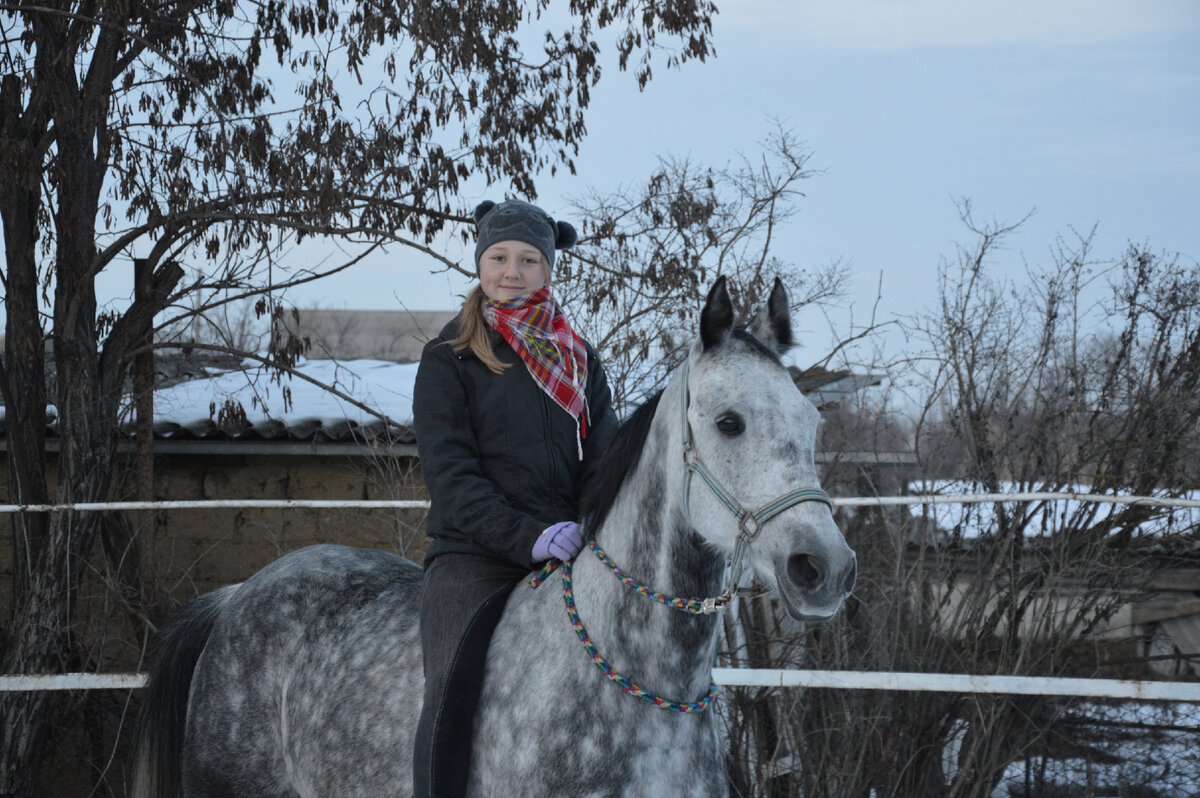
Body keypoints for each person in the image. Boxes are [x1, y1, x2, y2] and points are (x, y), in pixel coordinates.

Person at [411, 198, 618, 797]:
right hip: (474, 556)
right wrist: (527, 536)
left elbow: (605, 460)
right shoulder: (447, 358)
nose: (511, 271)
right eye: (499, 257)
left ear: (549, 270)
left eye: (529, 260)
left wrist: (588, 523)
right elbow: (451, 478)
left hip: (570, 549)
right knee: (450, 692)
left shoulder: (578, 360)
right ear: (480, 263)